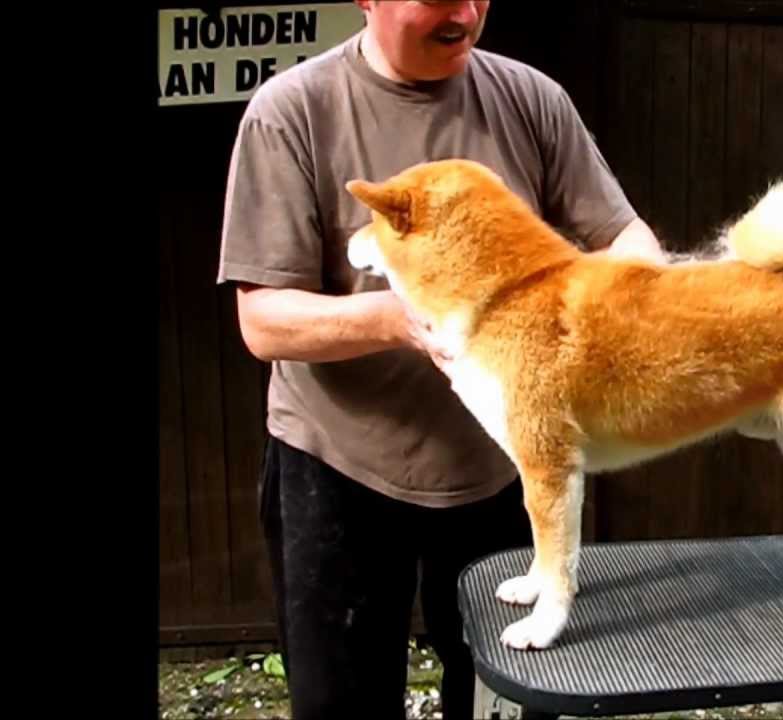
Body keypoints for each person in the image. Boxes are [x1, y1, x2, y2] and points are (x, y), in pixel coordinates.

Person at [215, 2, 665, 718]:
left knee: (506, 700)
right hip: (338, 466)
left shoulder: (531, 99)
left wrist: (630, 304)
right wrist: (399, 319)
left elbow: (627, 241)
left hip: (498, 469)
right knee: (342, 704)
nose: (464, 12)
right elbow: (265, 321)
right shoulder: (291, 113)